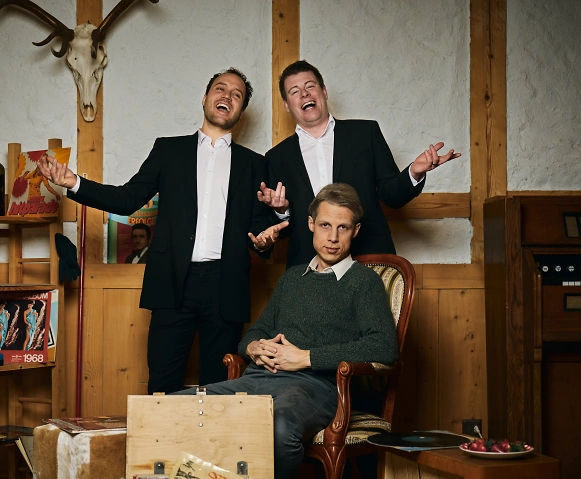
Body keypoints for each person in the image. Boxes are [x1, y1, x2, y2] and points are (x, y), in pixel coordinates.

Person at [36, 68, 287, 394]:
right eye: (220, 88)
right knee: (162, 387)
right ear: (205, 99)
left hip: (227, 286)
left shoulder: (254, 163)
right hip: (171, 282)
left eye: (236, 94)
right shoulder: (169, 151)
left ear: (241, 111)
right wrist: (74, 183)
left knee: (220, 390)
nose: (227, 96)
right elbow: (127, 199)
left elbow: (259, 229)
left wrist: (270, 232)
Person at [176, 183, 398, 479]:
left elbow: (384, 346)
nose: (333, 237)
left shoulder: (364, 282)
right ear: (311, 224)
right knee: (175, 407)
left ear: (355, 231)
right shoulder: (293, 278)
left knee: (277, 426)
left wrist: (306, 357)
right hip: (257, 378)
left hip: (315, 388)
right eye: (325, 225)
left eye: (343, 228)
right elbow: (256, 331)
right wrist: (254, 347)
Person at [258, 60, 461, 268]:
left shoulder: (365, 134)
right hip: (308, 267)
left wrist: (414, 173)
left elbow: (391, 196)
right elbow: (281, 230)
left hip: (369, 258)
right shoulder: (276, 157)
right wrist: (282, 211)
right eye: (294, 91)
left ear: (324, 91)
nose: (304, 94)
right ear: (286, 105)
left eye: (310, 86)